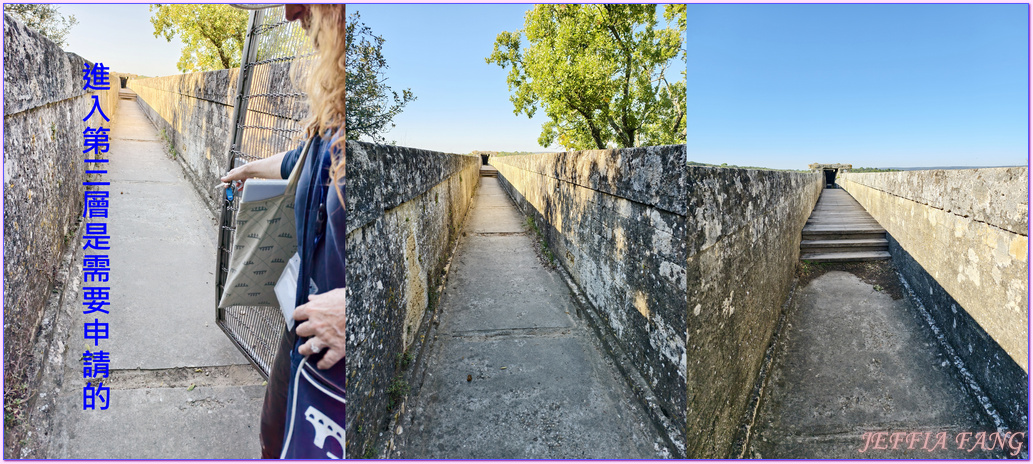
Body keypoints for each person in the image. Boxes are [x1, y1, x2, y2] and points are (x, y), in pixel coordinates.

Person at [221, 4, 347, 459]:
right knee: (272, 438)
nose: (292, 12)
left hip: (336, 378)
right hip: (301, 335)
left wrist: (352, 310)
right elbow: (301, 163)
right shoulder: (334, 118)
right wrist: (250, 168)